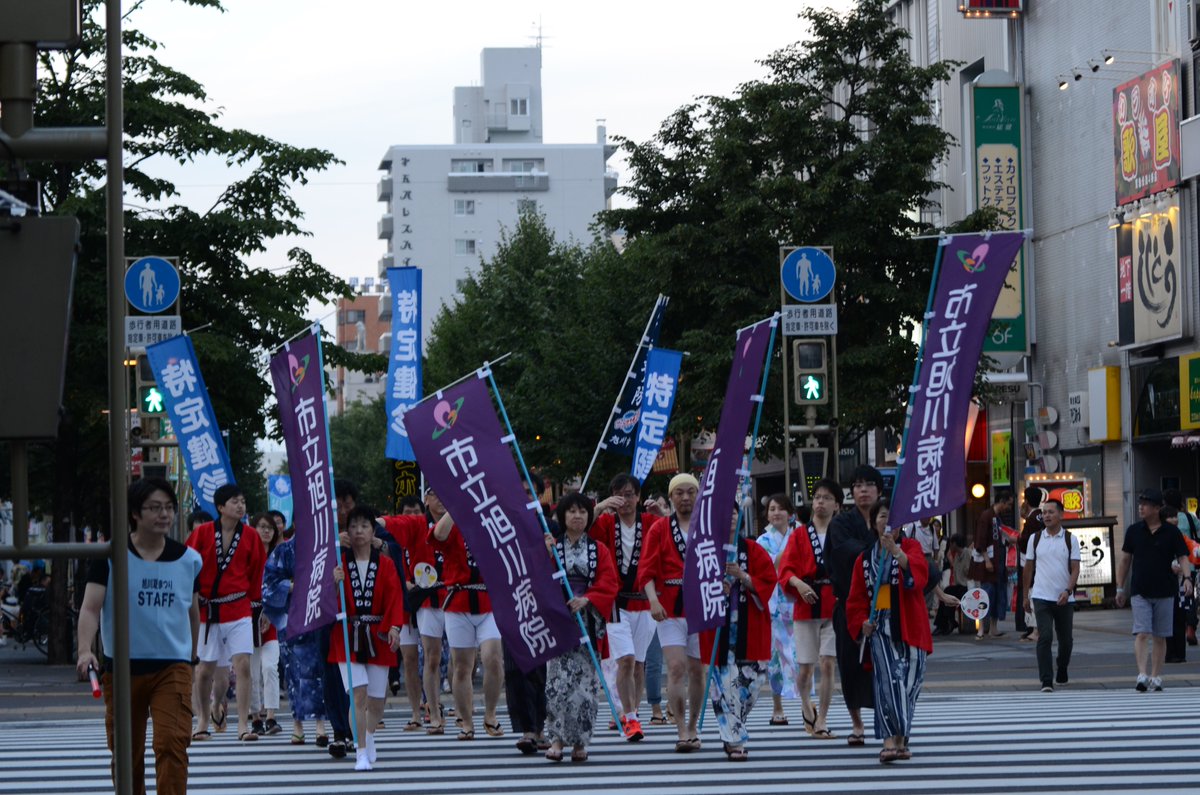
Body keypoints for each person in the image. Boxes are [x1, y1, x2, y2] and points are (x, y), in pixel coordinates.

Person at [76, 477, 201, 795]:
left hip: (172, 666)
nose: (164, 514)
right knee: (125, 755)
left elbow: (192, 611)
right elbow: (91, 608)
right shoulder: (111, 555)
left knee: (172, 743)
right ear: (134, 513)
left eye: (169, 508)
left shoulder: (188, 560)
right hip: (121, 669)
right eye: (155, 508)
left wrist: (192, 658)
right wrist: (84, 650)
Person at [846, 498, 931, 764]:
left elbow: (920, 575)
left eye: (891, 517)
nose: (887, 521)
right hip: (881, 626)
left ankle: (902, 738)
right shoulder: (864, 558)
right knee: (888, 683)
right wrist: (862, 622)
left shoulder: (911, 547)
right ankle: (889, 742)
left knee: (910, 685)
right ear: (873, 523)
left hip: (910, 624)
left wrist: (896, 551)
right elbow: (856, 598)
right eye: (881, 516)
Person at [187, 484, 267, 742]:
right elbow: (187, 566)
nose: (241, 505)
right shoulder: (201, 534)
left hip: (239, 607)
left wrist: (259, 606)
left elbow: (258, 573)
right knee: (204, 671)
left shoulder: (252, 536)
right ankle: (202, 718)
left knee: (242, 665)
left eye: (243, 501)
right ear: (220, 507)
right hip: (208, 611)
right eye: (235, 501)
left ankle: (243, 724)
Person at [330, 505, 407, 771]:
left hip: (378, 633)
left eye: (364, 526)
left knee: (376, 699)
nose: (358, 531)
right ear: (346, 531)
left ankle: (370, 735)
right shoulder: (337, 564)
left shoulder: (385, 564)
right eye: (353, 526)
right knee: (358, 696)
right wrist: (333, 583)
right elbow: (326, 604)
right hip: (347, 634)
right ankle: (360, 750)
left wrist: (395, 627)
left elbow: (395, 598)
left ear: (373, 531)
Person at [589, 473, 665, 741]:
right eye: (620, 494)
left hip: (645, 603)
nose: (626, 500)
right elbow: (583, 530)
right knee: (625, 660)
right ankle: (630, 719)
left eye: (630, 494)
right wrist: (599, 507)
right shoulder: (607, 523)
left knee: (638, 665)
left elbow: (676, 532)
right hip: (616, 604)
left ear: (639, 497)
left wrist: (664, 512)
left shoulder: (652, 522)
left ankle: (632, 711)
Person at [543, 492, 618, 763]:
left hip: (587, 621)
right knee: (557, 683)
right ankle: (556, 739)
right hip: (560, 622)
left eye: (583, 511)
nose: (577, 516)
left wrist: (588, 599)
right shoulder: (553, 547)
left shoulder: (599, 550)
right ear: (562, 516)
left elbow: (609, 582)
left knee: (585, 687)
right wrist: (546, 555)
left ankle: (580, 742)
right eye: (572, 511)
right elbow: (539, 582)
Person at [638, 473, 705, 753]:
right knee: (676, 668)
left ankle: (693, 725)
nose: (686, 497)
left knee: (698, 672)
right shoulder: (660, 529)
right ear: (672, 497)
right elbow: (646, 570)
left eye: (691, 492)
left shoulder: (707, 527)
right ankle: (681, 730)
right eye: (680, 493)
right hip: (669, 608)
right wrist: (652, 600)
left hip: (702, 607)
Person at [431, 505, 505, 741]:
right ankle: (467, 722)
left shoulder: (493, 520)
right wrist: (455, 504)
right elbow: (438, 535)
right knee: (462, 666)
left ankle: (491, 714)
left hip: (488, 600)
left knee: (493, 658)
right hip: (458, 601)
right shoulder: (454, 523)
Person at [708, 512, 776, 762]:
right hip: (720, 628)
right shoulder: (707, 549)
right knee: (725, 685)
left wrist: (743, 577)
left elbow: (769, 580)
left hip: (751, 625)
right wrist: (717, 587)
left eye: (735, 511)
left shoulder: (753, 549)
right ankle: (735, 741)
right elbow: (696, 584)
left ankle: (734, 727)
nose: (731, 516)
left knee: (753, 685)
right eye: (727, 511)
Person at [778, 479, 841, 739]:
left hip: (834, 604)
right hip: (807, 604)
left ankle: (823, 718)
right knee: (805, 668)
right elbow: (785, 570)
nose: (820, 502)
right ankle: (806, 706)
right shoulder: (800, 535)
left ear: (837, 505)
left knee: (828, 664)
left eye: (826, 498)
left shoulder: (841, 532)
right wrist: (798, 583)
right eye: (817, 497)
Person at [825, 464, 881, 746]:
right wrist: (879, 549)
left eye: (869, 484)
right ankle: (856, 723)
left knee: (884, 664)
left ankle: (886, 718)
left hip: (883, 605)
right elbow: (844, 551)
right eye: (858, 485)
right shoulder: (841, 523)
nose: (863, 490)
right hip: (849, 603)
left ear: (878, 490)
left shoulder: (887, 520)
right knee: (849, 662)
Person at [1115, 488, 1193, 692]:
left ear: (1157, 508)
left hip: (1165, 590)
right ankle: (1142, 674)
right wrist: (1120, 588)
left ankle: (1156, 676)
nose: (1141, 507)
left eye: (1146, 504)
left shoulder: (1171, 532)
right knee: (1142, 632)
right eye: (1140, 503)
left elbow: (1183, 556)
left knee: (1160, 635)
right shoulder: (1133, 530)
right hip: (1140, 589)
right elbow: (1125, 560)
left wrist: (1187, 578)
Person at [260, 523, 328, 748]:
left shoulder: (325, 548)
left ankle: (321, 723)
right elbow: (268, 585)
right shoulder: (283, 551)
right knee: (294, 673)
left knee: (319, 671)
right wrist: (293, 586)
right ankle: (298, 723)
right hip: (292, 618)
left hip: (321, 616)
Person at [1021, 499, 1080, 692]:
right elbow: (1028, 568)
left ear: (1061, 515)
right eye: (1044, 512)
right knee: (1044, 636)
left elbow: (1075, 568)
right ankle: (1046, 680)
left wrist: (1068, 590)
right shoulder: (1035, 538)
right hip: (1041, 596)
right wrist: (1025, 596)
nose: (1046, 515)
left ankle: (1062, 666)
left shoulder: (1070, 539)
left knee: (1066, 641)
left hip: (1064, 597)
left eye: (1051, 512)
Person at [754, 493, 799, 726]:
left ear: (790, 513)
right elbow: (770, 565)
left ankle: (806, 708)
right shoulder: (762, 541)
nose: (776, 513)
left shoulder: (800, 535)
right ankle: (777, 707)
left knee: (801, 657)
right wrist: (791, 547)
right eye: (772, 509)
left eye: (781, 509)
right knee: (774, 660)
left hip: (797, 603)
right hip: (772, 606)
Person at [247, 513, 282, 735]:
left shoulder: (279, 556)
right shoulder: (246, 553)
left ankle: (271, 716)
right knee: (250, 672)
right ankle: (255, 717)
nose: (266, 531)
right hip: (247, 614)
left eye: (270, 527)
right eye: (261, 526)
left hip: (272, 616)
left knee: (270, 666)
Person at [970, 489, 1015, 639]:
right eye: (1008, 504)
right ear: (1002, 502)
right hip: (990, 562)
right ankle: (982, 628)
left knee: (998, 595)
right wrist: (987, 560)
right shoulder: (986, 516)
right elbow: (980, 539)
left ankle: (993, 628)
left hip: (998, 561)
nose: (1009, 507)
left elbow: (1000, 535)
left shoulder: (996, 517)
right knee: (986, 594)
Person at [1016, 486, 1045, 641]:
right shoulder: (1041, 516)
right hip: (1041, 560)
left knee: (1032, 593)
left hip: (1032, 561)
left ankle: (1035, 629)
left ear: (1026, 500)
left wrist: (1017, 539)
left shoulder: (1032, 519)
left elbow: (1025, 542)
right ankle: (1032, 628)